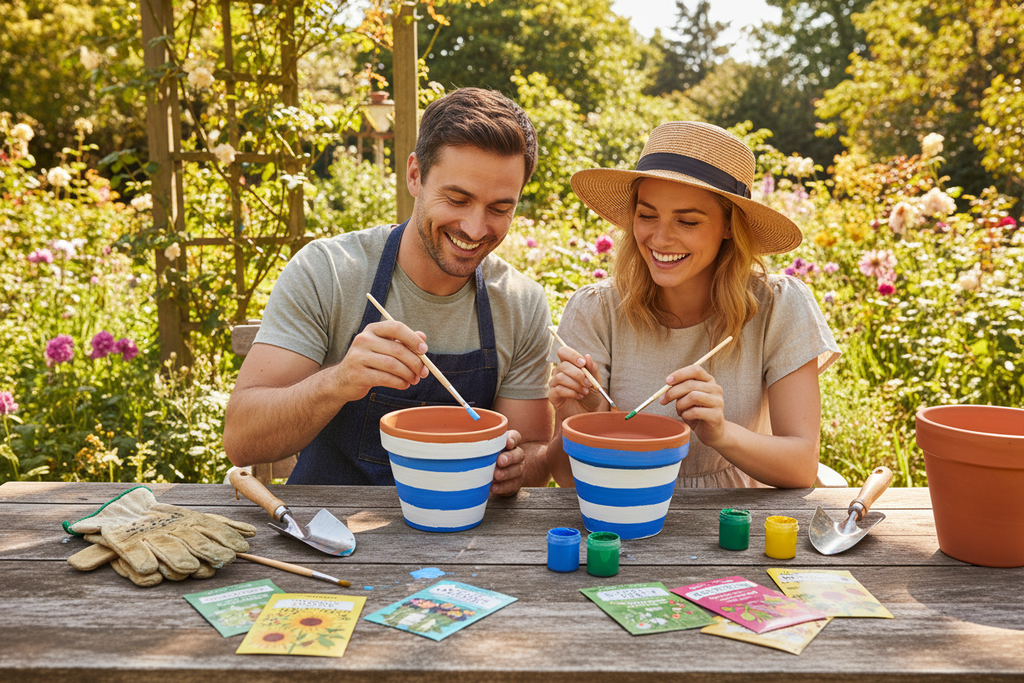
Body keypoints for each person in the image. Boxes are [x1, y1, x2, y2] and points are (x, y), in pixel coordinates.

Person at [224, 88, 554, 495]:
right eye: (456, 198)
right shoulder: (328, 271)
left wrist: (516, 470)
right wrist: (338, 382)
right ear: (414, 175)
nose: (474, 227)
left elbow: (534, 449)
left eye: (500, 209)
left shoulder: (519, 303)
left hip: (463, 540)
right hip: (326, 532)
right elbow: (241, 440)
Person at [547, 121, 840, 489]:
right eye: (647, 215)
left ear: (730, 225)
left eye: (687, 220)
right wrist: (575, 417)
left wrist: (720, 433)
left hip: (739, 525)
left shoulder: (778, 306)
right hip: (625, 515)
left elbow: (800, 466)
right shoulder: (595, 310)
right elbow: (564, 477)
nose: (661, 238)